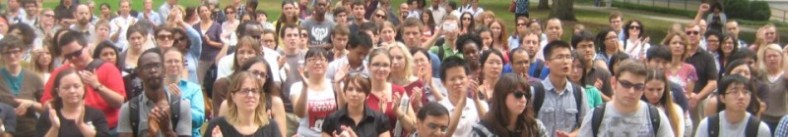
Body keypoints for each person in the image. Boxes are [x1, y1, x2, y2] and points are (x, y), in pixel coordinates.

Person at [42, 30, 126, 130]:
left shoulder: (108, 68)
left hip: (104, 128)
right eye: (68, 56)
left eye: (77, 53)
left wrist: (97, 86)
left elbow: (119, 102)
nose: (73, 58)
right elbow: (46, 104)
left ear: (87, 47)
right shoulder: (60, 72)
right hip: (70, 129)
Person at [578, 59, 675, 137]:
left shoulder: (655, 117)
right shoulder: (596, 116)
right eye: (626, 84)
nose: (631, 91)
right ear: (614, 83)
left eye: (638, 86)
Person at [117, 48, 192, 137]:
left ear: (164, 70)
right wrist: (151, 134)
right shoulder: (129, 109)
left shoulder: (181, 106)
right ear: (139, 73)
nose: (153, 70)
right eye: (147, 67)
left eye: (157, 66)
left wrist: (167, 130)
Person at [532, 41, 587, 137]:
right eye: (560, 57)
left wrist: (571, 135)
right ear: (547, 63)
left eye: (568, 57)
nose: (565, 61)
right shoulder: (535, 92)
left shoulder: (579, 93)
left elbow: (585, 126)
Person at [35, 68, 111, 137]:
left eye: (76, 86)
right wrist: (55, 127)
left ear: (83, 88)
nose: (72, 91)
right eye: (66, 87)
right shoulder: (49, 115)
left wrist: (81, 125)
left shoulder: (96, 114)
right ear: (58, 92)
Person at [205, 71, 282, 137]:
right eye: (245, 91)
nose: (250, 95)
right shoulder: (218, 126)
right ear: (233, 96)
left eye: (254, 91)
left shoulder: (271, 126)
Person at [471, 73, 548, 137]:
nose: (523, 99)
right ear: (502, 96)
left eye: (526, 95)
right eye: (518, 94)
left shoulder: (535, 127)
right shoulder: (483, 130)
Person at [694, 75, 772, 137]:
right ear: (722, 98)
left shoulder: (760, 128)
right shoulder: (708, 125)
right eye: (735, 92)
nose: (741, 96)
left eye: (745, 92)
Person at [320, 72, 392, 137]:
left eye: (359, 90)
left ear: (367, 95)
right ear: (345, 92)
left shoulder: (380, 119)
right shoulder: (332, 119)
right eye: (350, 89)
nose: (354, 94)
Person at [0, 36, 44, 137]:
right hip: (4, 131)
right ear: (2, 55)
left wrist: (31, 104)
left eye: (15, 51)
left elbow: (47, 106)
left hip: (29, 130)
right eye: (7, 53)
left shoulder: (33, 77)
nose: (12, 56)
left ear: (22, 52)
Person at [290, 48, 337, 137]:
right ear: (305, 66)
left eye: (322, 59)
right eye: (312, 60)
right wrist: (305, 88)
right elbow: (300, 113)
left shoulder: (334, 86)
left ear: (327, 64)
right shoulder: (297, 87)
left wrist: (338, 85)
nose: (318, 63)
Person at [438, 56, 488, 137]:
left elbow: (488, 127)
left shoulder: (480, 104)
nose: (458, 82)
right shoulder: (439, 108)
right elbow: (446, 134)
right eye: (452, 79)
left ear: (468, 78)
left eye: (461, 78)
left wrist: (476, 100)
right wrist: (461, 100)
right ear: (443, 83)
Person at [163, 48, 205, 137]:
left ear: (183, 65)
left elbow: (199, 120)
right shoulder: (156, 90)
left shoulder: (194, 89)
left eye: (177, 61)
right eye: (169, 61)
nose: (173, 64)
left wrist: (180, 103)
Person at [641, 69, 688, 137]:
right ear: (643, 88)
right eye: (650, 89)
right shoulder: (635, 109)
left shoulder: (675, 110)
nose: (655, 94)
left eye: (659, 89)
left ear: (665, 88)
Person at [572, 30, 613, 99]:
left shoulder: (603, 73)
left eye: (590, 46)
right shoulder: (569, 72)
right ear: (574, 49)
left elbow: (612, 102)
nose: (587, 50)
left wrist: (596, 93)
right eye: (583, 46)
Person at [756, 44, 787, 131]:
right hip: (764, 118)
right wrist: (762, 44)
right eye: (769, 56)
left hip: (782, 119)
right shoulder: (761, 75)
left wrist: (785, 54)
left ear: (781, 57)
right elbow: (755, 67)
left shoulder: (784, 76)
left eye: (775, 56)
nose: (772, 59)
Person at [194, 4, 224, 85]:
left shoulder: (217, 26)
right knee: (199, 83)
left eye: (206, 10)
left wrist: (210, 42)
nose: (204, 13)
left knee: (214, 83)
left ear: (210, 12)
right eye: (202, 11)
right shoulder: (195, 27)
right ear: (199, 14)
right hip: (201, 59)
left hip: (214, 60)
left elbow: (222, 44)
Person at [663, 32, 699, 97]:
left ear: (685, 47)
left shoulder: (690, 69)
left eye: (681, 43)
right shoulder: (661, 67)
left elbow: (688, 95)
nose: (678, 46)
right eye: (674, 43)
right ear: (667, 45)